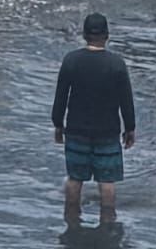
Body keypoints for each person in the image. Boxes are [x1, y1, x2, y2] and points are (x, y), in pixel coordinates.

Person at [51, 13, 136, 224]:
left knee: (74, 178)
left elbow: (61, 96)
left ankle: (71, 218)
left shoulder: (71, 61)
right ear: (106, 36)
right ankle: (108, 221)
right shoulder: (116, 64)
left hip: (76, 130)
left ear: (84, 35)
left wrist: (58, 124)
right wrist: (130, 128)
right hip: (107, 132)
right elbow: (126, 100)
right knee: (107, 181)